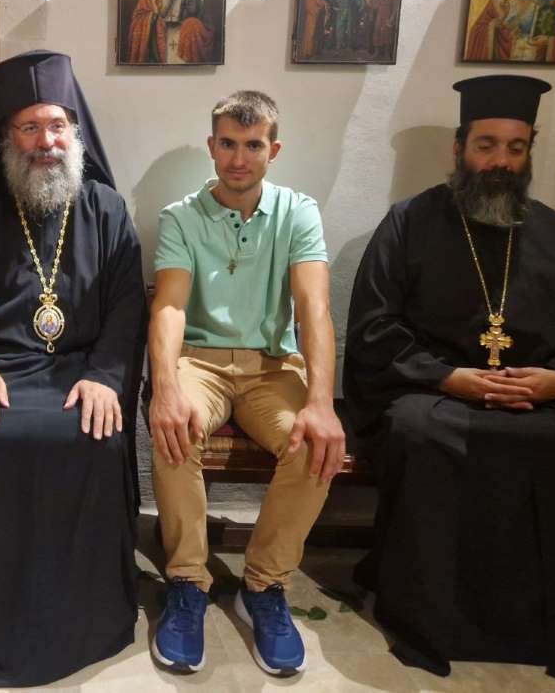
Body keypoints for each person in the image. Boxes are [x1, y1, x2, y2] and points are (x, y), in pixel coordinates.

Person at [343, 74, 555, 689]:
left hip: (542, 399)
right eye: (487, 145)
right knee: (417, 434)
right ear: (460, 147)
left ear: (529, 151)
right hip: (438, 396)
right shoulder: (410, 223)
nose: (500, 161)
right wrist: (449, 378)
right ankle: (432, 617)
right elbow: (374, 327)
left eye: (515, 148)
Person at [0, 50, 146, 687]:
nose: (46, 141)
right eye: (30, 128)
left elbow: (129, 302)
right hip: (0, 368)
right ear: (6, 137)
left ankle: (85, 614)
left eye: (57, 126)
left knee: (94, 438)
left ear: (75, 131)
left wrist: (105, 375)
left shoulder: (105, 206)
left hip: (82, 370)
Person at [149, 90, 344, 677]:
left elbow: (313, 308)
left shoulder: (298, 212)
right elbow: (170, 306)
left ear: (273, 150)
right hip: (200, 362)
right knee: (174, 428)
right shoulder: (180, 217)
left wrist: (321, 402)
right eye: (229, 144)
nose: (239, 159)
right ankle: (187, 581)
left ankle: (263, 585)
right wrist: (165, 389)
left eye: (253, 145)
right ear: (212, 146)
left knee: (315, 443)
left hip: (272, 365)